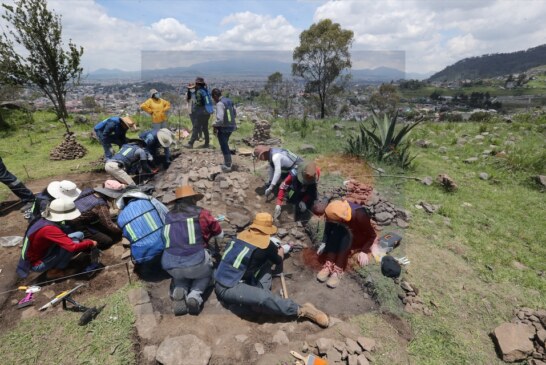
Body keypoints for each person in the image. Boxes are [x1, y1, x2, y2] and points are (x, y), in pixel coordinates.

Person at [214, 212, 329, 328]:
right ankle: (301, 309)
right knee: (262, 300)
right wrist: (281, 251)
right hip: (227, 286)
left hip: (233, 274)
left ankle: (260, 293)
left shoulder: (240, 236)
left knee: (264, 267)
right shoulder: (267, 246)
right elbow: (279, 259)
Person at [161, 185, 223, 316]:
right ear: (193, 199)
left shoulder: (168, 216)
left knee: (181, 275)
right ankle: (194, 296)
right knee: (205, 275)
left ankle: (179, 289)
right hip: (196, 261)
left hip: (170, 264)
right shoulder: (202, 213)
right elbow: (219, 234)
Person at [16, 198, 98, 280]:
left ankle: (58, 260)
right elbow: (72, 247)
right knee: (72, 244)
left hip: (45, 250)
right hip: (37, 263)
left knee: (79, 234)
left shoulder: (43, 219)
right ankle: (55, 271)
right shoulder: (49, 229)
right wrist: (90, 243)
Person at [312, 199, 378, 288]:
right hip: (344, 228)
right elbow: (328, 228)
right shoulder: (334, 210)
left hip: (358, 235)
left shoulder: (360, 215)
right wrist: (324, 242)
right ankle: (329, 263)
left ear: (340, 219)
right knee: (335, 231)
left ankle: (338, 269)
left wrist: (364, 251)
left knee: (345, 237)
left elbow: (372, 235)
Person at [71, 184, 124, 249]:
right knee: (107, 241)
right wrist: (122, 230)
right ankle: (85, 247)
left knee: (105, 228)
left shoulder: (89, 191)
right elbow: (109, 224)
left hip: (76, 217)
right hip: (78, 224)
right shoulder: (100, 204)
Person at [211, 88, 237, 172]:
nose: (213, 100)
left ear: (215, 96)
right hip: (231, 126)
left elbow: (220, 120)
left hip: (223, 128)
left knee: (224, 146)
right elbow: (234, 114)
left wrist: (214, 125)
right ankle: (228, 161)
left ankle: (227, 165)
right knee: (225, 144)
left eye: (213, 98)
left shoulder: (220, 104)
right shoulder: (229, 101)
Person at [184, 77, 213, 149]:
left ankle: (190, 143)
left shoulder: (199, 92)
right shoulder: (205, 90)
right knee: (205, 128)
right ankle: (207, 143)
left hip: (201, 113)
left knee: (196, 127)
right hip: (207, 112)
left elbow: (199, 103)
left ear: (197, 84)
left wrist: (195, 110)